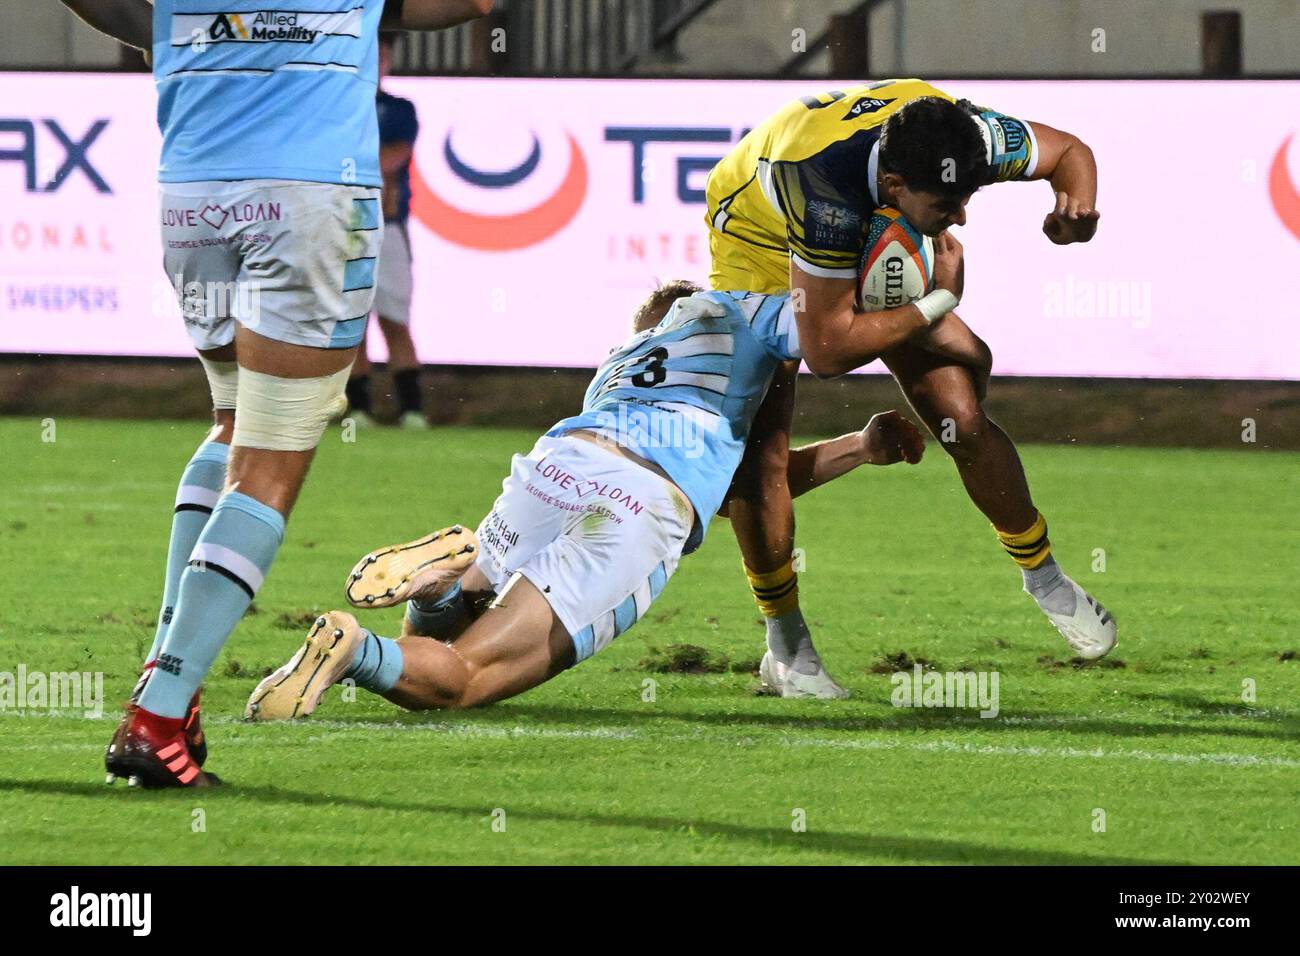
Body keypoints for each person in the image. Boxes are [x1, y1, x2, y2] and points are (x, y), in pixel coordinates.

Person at [61, 0, 494, 789]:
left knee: (230, 428)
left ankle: (173, 686)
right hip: (310, 196)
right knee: (267, 464)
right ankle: (158, 712)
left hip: (192, 195)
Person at [245, 280, 932, 719]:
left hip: (559, 464)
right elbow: (832, 334)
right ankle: (350, 648)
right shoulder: (742, 316)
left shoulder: (622, 359)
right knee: (459, 682)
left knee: (439, 639)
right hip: (642, 501)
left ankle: (434, 589)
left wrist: (860, 446)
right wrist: (933, 299)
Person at [704, 80, 1115, 699]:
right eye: (948, 204)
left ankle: (1045, 577)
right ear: (897, 187)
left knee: (961, 419)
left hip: (873, 209)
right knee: (764, 449)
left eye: (968, 197)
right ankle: (787, 648)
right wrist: (939, 302)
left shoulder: (966, 135)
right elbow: (829, 351)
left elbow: (1070, 154)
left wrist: (1075, 210)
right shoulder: (822, 190)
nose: (963, 216)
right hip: (760, 240)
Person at [345, 31, 428, 428]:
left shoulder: (398, 109)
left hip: (386, 224)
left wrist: (353, 168)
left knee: (394, 317)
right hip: (342, 224)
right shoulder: (338, 105)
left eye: (383, 57)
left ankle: (411, 409)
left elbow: (394, 156)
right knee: (350, 320)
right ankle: (358, 408)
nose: (377, 64)